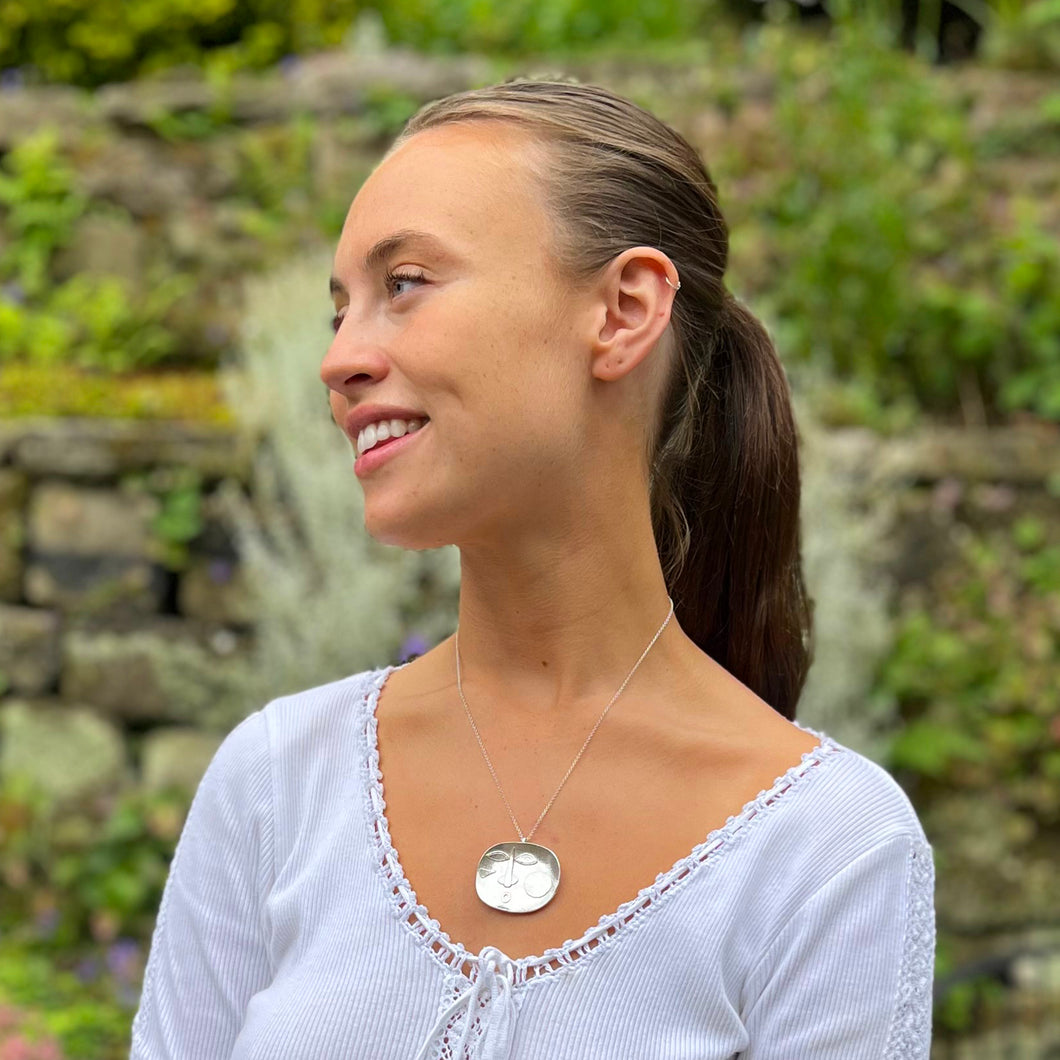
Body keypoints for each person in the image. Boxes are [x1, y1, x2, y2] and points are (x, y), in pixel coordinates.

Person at [129, 77, 936, 1059]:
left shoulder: (825, 850)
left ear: (623, 310)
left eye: (406, 284)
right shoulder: (275, 784)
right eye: (340, 308)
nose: (339, 357)